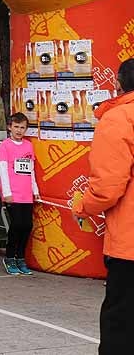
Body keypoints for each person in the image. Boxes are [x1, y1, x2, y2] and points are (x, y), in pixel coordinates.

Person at [71, 58, 134, 354]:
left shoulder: (119, 118)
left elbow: (108, 188)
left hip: (130, 244)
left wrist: (82, 206)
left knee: (121, 324)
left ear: (119, 84)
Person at [0, 113, 39, 275]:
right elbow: (3, 170)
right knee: (16, 225)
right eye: (16, 127)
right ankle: (9, 257)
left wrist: (35, 190)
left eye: (22, 127)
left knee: (27, 225)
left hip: (26, 194)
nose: (19, 130)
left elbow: (31, 171)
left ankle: (20, 257)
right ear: (10, 127)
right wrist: (6, 192)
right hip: (12, 194)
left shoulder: (28, 146)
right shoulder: (5, 146)